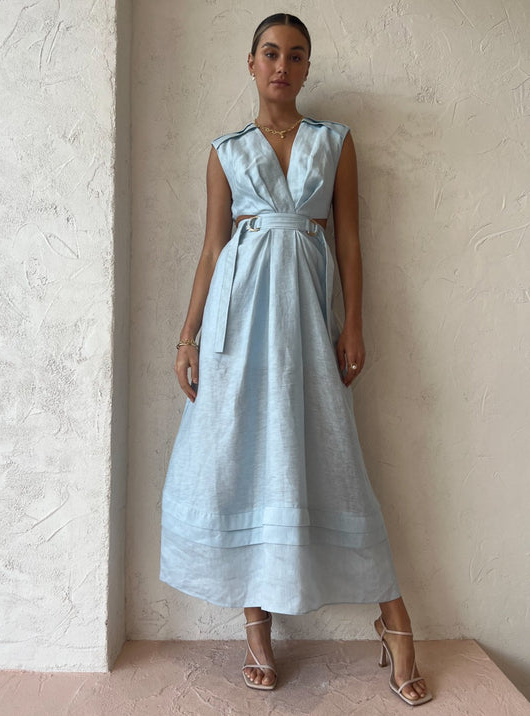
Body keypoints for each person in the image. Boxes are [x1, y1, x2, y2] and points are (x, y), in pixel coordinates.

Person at [160, 13, 432, 706]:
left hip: (308, 323)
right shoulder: (224, 151)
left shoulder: (334, 142)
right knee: (239, 458)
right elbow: (212, 248)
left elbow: (349, 241)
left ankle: (394, 619)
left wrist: (353, 325)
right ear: (251, 62)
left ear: (307, 67)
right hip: (236, 324)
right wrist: (188, 336)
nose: (283, 65)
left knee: (334, 457)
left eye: (296, 55)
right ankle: (256, 627)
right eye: (271, 53)